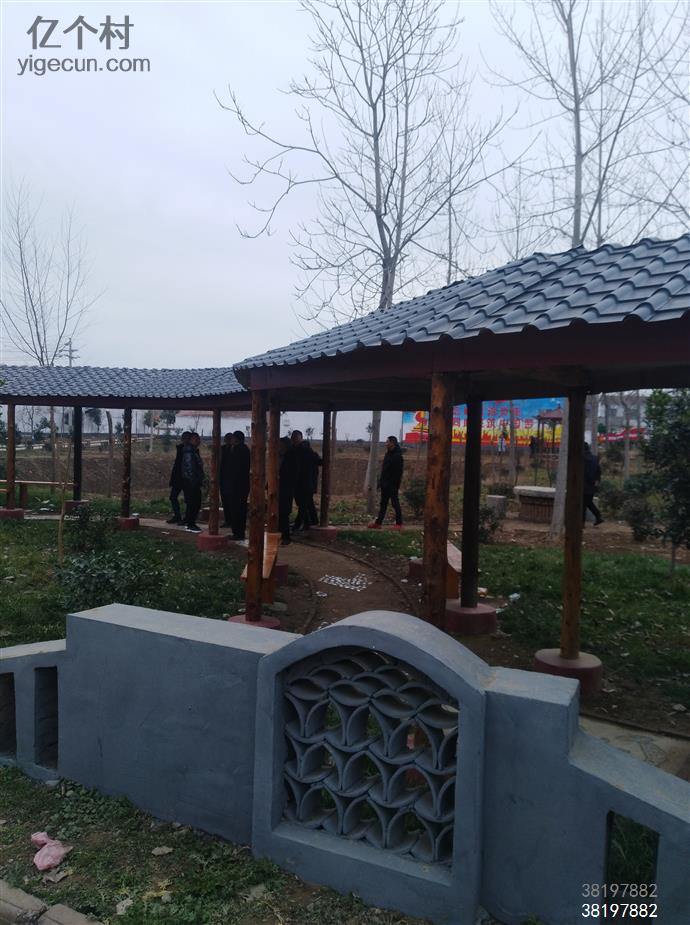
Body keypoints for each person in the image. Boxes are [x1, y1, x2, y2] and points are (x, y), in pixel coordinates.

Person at [369, 435, 404, 528]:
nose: (386, 443)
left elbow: (398, 473)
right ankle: (378, 523)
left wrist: (394, 485)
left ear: (392, 443)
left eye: (387, 442)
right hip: (385, 484)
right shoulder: (388, 454)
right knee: (383, 504)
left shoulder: (398, 456)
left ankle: (399, 524)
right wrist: (380, 482)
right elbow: (384, 470)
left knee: (395, 503)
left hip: (392, 485)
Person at [292, 434, 322, 531]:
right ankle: (312, 522)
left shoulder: (298, 453)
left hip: (301, 485)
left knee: (303, 506)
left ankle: (304, 524)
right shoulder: (311, 454)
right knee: (307, 504)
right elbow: (320, 462)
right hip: (308, 485)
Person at [228, 430, 250, 540]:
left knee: (236, 509)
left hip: (237, 484)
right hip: (243, 484)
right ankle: (239, 532)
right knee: (241, 508)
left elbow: (234, 468)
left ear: (236, 439)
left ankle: (237, 533)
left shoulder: (237, 450)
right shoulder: (245, 449)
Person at [181, 433, 204, 533]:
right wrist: (195, 481)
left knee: (194, 503)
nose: (198, 441)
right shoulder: (189, 452)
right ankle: (190, 524)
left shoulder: (193, 451)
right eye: (196, 439)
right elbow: (190, 469)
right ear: (190, 440)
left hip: (192, 481)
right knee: (193, 503)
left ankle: (190, 522)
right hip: (191, 482)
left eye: (198, 439)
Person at [167, 431, 191, 524]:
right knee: (173, 497)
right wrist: (173, 478)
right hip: (178, 478)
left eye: (187, 438)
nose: (185, 440)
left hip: (187, 478)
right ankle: (178, 516)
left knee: (188, 499)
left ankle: (187, 518)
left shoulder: (192, 450)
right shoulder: (180, 448)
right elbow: (177, 465)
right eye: (184, 438)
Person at [278, 436, 296, 544]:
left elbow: (291, 474)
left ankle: (286, 537)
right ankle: (280, 534)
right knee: (279, 513)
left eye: (281, 445)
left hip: (286, 489)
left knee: (284, 513)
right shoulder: (280, 456)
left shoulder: (291, 457)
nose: (279, 447)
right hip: (279, 488)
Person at [583, 442, 603, 526]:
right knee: (587, 502)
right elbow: (599, 471)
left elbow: (585, 472)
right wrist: (597, 481)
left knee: (584, 503)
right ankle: (598, 517)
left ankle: (582, 522)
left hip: (584, 484)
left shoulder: (582, 458)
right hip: (592, 485)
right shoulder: (595, 458)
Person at [219, 433, 234, 528]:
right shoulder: (223, 449)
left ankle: (232, 521)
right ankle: (228, 520)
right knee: (225, 500)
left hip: (231, 479)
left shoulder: (235, 450)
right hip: (223, 478)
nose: (228, 441)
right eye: (227, 439)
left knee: (231, 501)